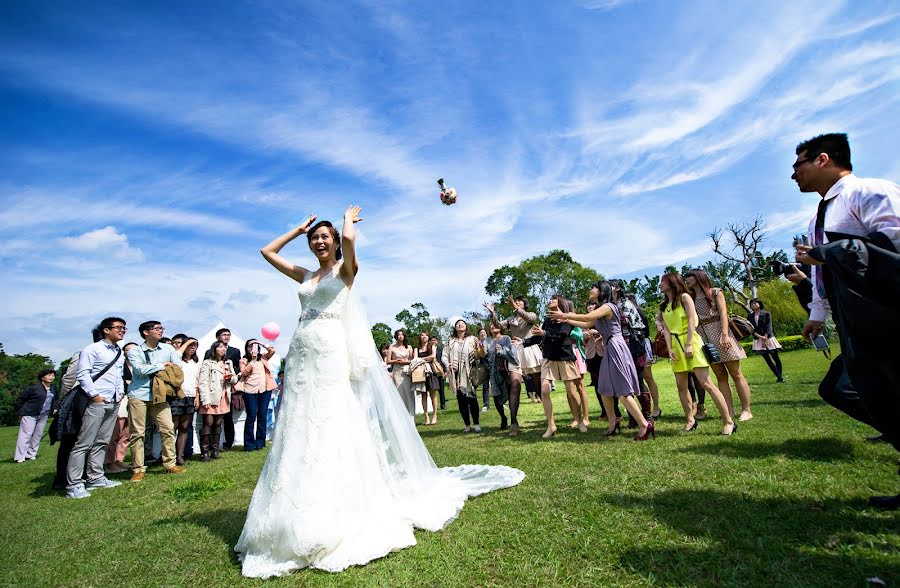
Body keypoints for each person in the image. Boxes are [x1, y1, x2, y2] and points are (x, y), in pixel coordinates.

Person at [235, 206, 523, 577]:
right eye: (314, 238)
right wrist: (297, 229)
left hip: (329, 350)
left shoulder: (346, 271)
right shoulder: (306, 275)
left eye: (325, 237)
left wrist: (346, 222)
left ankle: (344, 502)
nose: (319, 241)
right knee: (298, 421)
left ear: (335, 242)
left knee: (331, 416)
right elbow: (267, 252)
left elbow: (351, 242)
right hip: (303, 352)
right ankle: (291, 504)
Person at [791, 132, 900, 509]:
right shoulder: (816, 218)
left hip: (887, 315)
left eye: (798, 165)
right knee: (850, 389)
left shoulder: (869, 191)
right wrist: (817, 313)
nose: (793, 175)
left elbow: (895, 244)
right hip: (853, 318)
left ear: (823, 159)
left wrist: (830, 251)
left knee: (871, 387)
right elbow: (822, 275)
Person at [548, 282, 654, 441]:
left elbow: (587, 317)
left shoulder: (608, 306)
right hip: (610, 347)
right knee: (604, 389)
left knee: (623, 391)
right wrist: (566, 320)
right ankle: (613, 423)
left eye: (594, 288)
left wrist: (565, 315)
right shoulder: (600, 309)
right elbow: (586, 324)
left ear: (601, 291)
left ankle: (644, 425)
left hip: (616, 346)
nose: (591, 290)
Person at [657, 273, 736, 436]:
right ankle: (690, 419)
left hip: (691, 341)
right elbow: (665, 329)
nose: (660, 284)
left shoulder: (685, 297)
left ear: (671, 282)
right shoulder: (664, 305)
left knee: (706, 383)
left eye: (662, 282)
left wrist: (688, 344)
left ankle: (728, 421)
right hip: (676, 345)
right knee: (681, 385)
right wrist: (670, 349)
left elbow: (693, 320)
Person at [66, 317, 127, 498]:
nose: (122, 331)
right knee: (83, 443)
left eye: (124, 328)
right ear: (106, 330)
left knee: (102, 441)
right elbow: (83, 373)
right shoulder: (92, 349)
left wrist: (121, 392)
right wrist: (94, 395)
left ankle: (96, 477)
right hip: (97, 401)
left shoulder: (119, 352)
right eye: (118, 327)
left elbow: (119, 374)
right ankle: (74, 484)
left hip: (114, 401)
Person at [686, 269, 753, 421]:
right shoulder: (691, 297)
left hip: (721, 333)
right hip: (704, 337)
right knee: (720, 376)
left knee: (735, 373)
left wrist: (725, 335)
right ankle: (729, 410)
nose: (686, 280)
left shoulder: (715, 292)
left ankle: (746, 409)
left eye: (688, 276)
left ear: (698, 277)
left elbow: (723, 313)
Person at [126, 321, 189, 481]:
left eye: (162, 328)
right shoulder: (135, 351)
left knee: (168, 428)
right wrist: (162, 365)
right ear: (146, 332)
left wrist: (161, 366)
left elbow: (177, 365)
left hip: (160, 394)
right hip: (138, 394)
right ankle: (138, 468)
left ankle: (170, 464)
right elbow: (139, 370)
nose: (160, 331)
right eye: (157, 328)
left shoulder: (168, 349)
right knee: (137, 433)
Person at [523, 294, 583, 438]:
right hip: (549, 358)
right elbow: (540, 336)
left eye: (553, 299)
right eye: (550, 299)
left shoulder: (566, 318)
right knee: (544, 390)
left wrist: (544, 333)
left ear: (560, 302)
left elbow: (562, 335)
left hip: (564, 357)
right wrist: (523, 342)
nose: (550, 300)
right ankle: (551, 426)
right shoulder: (548, 320)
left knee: (572, 392)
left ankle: (579, 421)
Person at [486, 295, 542, 409]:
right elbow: (498, 325)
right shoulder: (511, 319)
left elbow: (529, 318)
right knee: (515, 380)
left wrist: (516, 308)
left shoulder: (531, 314)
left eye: (519, 301)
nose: (516, 303)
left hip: (529, 348)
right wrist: (492, 314)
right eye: (515, 301)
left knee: (536, 378)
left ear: (524, 304)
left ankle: (541, 396)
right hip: (515, 349)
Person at [198, 341, 237, 460]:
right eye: (220, 347)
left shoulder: (228, 362)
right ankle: (204, 452)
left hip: (224, 396)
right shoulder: (207, 363)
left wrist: (231, 377)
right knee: (208, 423)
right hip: (211, 395)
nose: (223, 349)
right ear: (214, 349)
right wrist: (205, 399)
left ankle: (215, 450)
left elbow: (235, 379)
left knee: (218, 423)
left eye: (224, 347)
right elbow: (203, 382)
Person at [104, 342, 138, 473]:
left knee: (127, 434)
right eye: (128, 350)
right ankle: (109, 462)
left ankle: (120, 460)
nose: (131, 352)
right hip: (121, 400)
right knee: (115, 433)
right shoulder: (119, 365)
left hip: (135, 401)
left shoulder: (139, 365)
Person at [206, 327, 242, 449]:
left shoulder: (235, 351)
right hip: (213, 389)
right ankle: (211, 445)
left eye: (228, 334)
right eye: (224, 334)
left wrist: (232, 375)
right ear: (218, 337)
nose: (226, 337)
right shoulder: (209, 352)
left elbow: (238, 368)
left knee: (228, 417)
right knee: (211, 419)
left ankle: (229, 442)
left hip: (227, 389)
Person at [240, 339, 277, 451]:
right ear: (246, 348)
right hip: (250, 390)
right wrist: (253, 360)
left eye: (255, 346)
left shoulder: (264, 357)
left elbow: (272, 350)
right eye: (250, 346)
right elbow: (244, 373)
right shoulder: (244, 360)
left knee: (262, 416)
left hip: (265, 390)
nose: (253, 348)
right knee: (251, 416)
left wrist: (261, 343)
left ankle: (260, 443)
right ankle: (249, 444)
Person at [446, 319, 483, 433]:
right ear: (455, 328)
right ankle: (467, 425)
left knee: (472, 398)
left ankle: (476, 423)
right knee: (461, 400)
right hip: (456, 373)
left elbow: (479, 354)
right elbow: (444, 355)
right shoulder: (451, 341)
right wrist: (447, 364)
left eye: (462, 323)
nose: (460, 325)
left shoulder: (472, 339)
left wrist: (478, 349)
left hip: (470, 371)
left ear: (466, 327)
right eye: (458, 324)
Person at [14, 369, 58, 462]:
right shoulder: (33, 388)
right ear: (42, 377)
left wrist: (55, 408)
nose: (51, 377)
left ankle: (31, 454)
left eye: (53, 375)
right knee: (26, 435)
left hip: (44, 415)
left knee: (38, 435)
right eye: (49, 375)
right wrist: (19, 412)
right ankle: (20, 457)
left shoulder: (53, 388)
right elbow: (20, 400)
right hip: (29, 414)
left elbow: (56, 400)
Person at [171, 338, 199, 465]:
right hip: (177, 395)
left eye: (195, 345)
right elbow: (177, 354)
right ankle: (169, 456)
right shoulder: (177, 360)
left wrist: (197, 396)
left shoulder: (195, 362)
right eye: (190, 345)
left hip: (191, 396)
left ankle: (180, 456)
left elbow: (197, 381)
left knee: (185, 427)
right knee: (173, 427)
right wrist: (186, 342)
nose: (193, 347)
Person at [485, 323, 517, 430]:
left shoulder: (506, 338)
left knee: (509, 393)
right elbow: (483, 354)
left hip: (505, 371)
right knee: (496, 397)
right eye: (491, 325)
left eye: (495, 324)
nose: (493, 326)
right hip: (493, 373)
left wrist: (501, 350)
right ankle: (503, 417)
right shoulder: (487, 341)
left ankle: (514, 418)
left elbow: (511, 354)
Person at [747, 299, 784, 383]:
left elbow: (769, 326)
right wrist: (760, 337)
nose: (753, 305)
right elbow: (751, 329)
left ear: (759, 304)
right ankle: (779, 377)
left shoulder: (766, 314)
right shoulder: (750, 316)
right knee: (767, 359)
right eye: (752, 304)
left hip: (769, 338)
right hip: (758, 339)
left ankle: (780, 376)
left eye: (755, 303)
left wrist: (765, 336)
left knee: (775, 357)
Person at [412, 332, 440, 426]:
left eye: (426, 335)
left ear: (428, 337)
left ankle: (435, 415)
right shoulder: (416, 349)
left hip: (430, 372)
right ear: (419, 338)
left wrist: (421, 359)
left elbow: (433, 357)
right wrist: (424, 359)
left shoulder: (431, 346)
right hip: (420, 373)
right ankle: (426, 416)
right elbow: (415, 359)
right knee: (423, 394)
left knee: (433, 394)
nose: (424, 337)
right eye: (422, 335)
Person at [387, 329, 415, 417]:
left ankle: (411, 416)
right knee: (399, 394)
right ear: (396, 336)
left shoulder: (409, 347)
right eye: (399, 335)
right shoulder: (392, 347)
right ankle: (401, 416)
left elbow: (413, 360)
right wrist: (396, 361)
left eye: (402, 334)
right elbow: (388, 361)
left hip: (407, 373)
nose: (400, 336)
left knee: (409, 394)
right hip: (397, 373)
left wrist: (406, 362)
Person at [430, 335, 448, 410]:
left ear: (437, 341)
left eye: (435, 340)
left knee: (441, 390)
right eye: (432, 340)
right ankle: (432, 406)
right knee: (432, 389)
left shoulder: (441, 349)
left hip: (440, 371)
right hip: (431, 372)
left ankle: (443, 404)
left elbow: (443, 360)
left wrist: (445, 370)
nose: (433, 341)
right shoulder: (428, 349)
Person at [477, 327, 490, 412]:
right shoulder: (477, 344)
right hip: (483, 367)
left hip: (492, 365)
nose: (482, 334)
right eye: (481, 333)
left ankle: (501, 402)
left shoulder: (490, 341)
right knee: (485, 386)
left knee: (497, 384)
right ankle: (486, 404)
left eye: (484, 332)